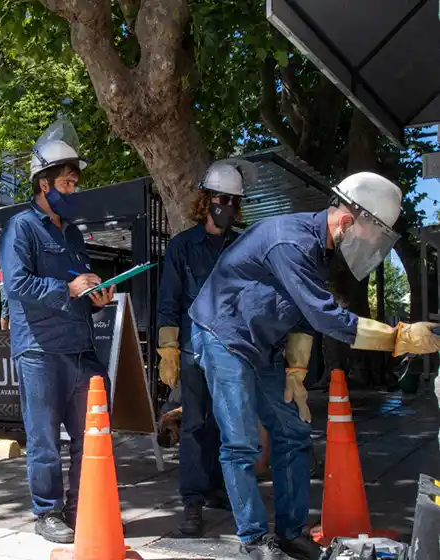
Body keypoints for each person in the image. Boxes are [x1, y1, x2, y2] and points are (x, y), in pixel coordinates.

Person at [188, 171, 440, 560]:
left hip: (260, 344)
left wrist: (296, 373)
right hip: (223, 335)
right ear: (348, 221)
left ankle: (290, 532)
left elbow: (303, 316)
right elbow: (327, 318)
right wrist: (397, 336)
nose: (370, 247)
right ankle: (254, 539)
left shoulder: (320, 252)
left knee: (293, 436)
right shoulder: (291, 242)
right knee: (241, 443)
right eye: (371, 237)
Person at [0, 118, 115, 544]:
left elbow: (80, 283)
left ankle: (79, 507)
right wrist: (67, 288)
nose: (73, 192)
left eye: (74, 185)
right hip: (40, 349)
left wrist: (96, 293)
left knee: (90, 433)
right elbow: (17, 285)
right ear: (43, 184)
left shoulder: (75, 236)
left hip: (79, 346)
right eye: (67, 184)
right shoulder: (21, 228)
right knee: (44, 438)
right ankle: (47, 513)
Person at [156, 158, 257, 535]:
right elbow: (169, 298)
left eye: (233, 200)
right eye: (221, 198)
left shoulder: (243, 245)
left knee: (228, 422)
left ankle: (219, 489)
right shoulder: (183, 247)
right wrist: (168, 349)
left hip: (233, 348)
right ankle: (193, 501)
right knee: (196, 423)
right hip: (195, 349)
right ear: (206, 200)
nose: (227, 206)